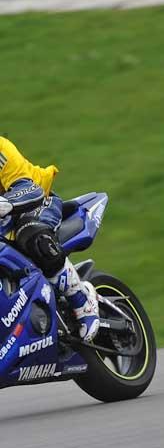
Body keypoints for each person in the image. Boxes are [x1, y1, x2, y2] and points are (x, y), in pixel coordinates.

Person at [0, 137, 99, 340]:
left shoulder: (1, 148)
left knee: (32, 236)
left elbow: (28, 188)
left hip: (33, 203)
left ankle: (81, 298)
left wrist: (7, 203)